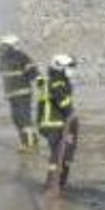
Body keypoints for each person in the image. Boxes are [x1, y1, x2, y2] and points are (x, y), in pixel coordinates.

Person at [0, 34, 40, 151]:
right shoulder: (2, 57)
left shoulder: (20, 57)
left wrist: (40, 82)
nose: (1, 47)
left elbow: (33, 72)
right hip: (12, 94)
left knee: (23, 118)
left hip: (23, 93)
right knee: (17, 118)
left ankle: (30, 144)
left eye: (3, 45)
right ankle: (27, 141)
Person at [37, 54, 79, 191]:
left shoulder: (56, 80)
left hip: (54, 123)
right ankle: (52, 185)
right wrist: (71, 112)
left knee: (63, 153)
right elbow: (62, 101)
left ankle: (58, 183)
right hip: (53, 124)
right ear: (61, 67)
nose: (72, 70)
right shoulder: (56, 82)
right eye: (70, 67)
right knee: (57, 154)